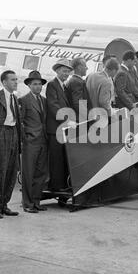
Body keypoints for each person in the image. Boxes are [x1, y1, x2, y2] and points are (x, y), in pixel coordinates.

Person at [0, 70, 21, 218]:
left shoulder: (15, 98)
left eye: (16, 79)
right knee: (0, 171)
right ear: (4, 82)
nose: (16, 82)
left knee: (11, 171)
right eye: (13, 80)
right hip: (1, 134)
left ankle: (4, 205)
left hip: (13, 133)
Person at [19, 71, 49, 213]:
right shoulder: (24, 100)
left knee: (40, 173)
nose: (38, 87)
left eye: (40, 84)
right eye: (35, 84)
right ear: (29, 85)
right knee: (28, 173)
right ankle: (27, 204)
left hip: (43, 141)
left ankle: (36, 202)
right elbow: (20, 122)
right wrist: (26, 139)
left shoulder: (44, 100)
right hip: (31, 142)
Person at [46, 58, 76, 192]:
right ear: (57, 71)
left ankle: (62, 186)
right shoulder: (52, 85)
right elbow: (53, 106)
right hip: (55, 129)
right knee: (56, 159)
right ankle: (56, 186)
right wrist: (66, 120)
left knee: (63, 158)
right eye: (64, 71)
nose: (66, 74)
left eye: (68, 72)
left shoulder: (64, 86)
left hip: (63, 129)